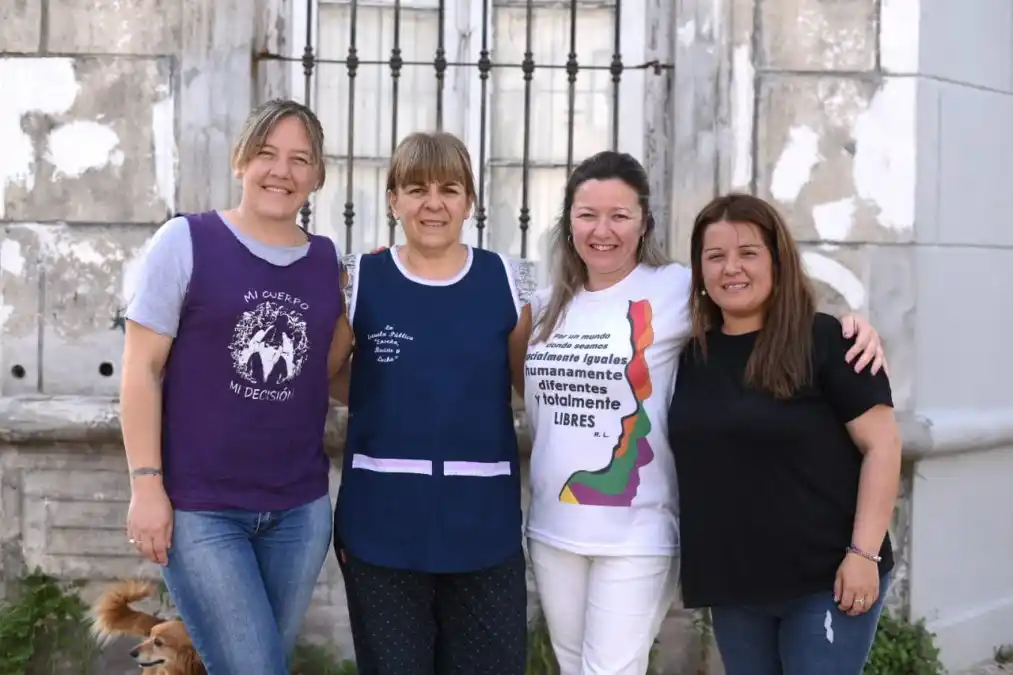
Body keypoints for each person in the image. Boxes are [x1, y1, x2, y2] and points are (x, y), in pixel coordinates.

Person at [522, 151, 886, 675]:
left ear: (644, 221)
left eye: (620, 215)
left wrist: (854, 322)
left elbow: (755, 293)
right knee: (574, 665)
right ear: (568, 222)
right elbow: (523, 385)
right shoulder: (543, 304)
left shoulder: (675, 288)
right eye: (587, 215)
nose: (603, 230)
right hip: (555, 527)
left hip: (638, 529)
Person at [120, 99, 352, 675]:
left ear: (317, 176)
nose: (283, 171)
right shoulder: (185, 241)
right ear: (240, 160)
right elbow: (141, 370)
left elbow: (321, 376)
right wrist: (146, 485)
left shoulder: (328, 263)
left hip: (299, 511)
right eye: (268, 154)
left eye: (301, 159)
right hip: (202, 510)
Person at [667, 193, 901, 675]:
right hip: (735, 587)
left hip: (825, 581)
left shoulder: (830, 341)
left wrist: (863, 555)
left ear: (778, 261)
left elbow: (883, 445)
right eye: (715, 256)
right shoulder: (690, 356)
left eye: (748, 252)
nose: (731, 268)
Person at [330, 131, 531, 675]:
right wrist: (392, 392)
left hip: (483, 530)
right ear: (393, 199)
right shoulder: (359, 279)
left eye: (449, 188)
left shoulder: (509, 283)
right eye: (416, 189)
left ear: (470, 201)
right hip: (381, 529)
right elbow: (324, 375)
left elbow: (529, 387)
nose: (433, 203)